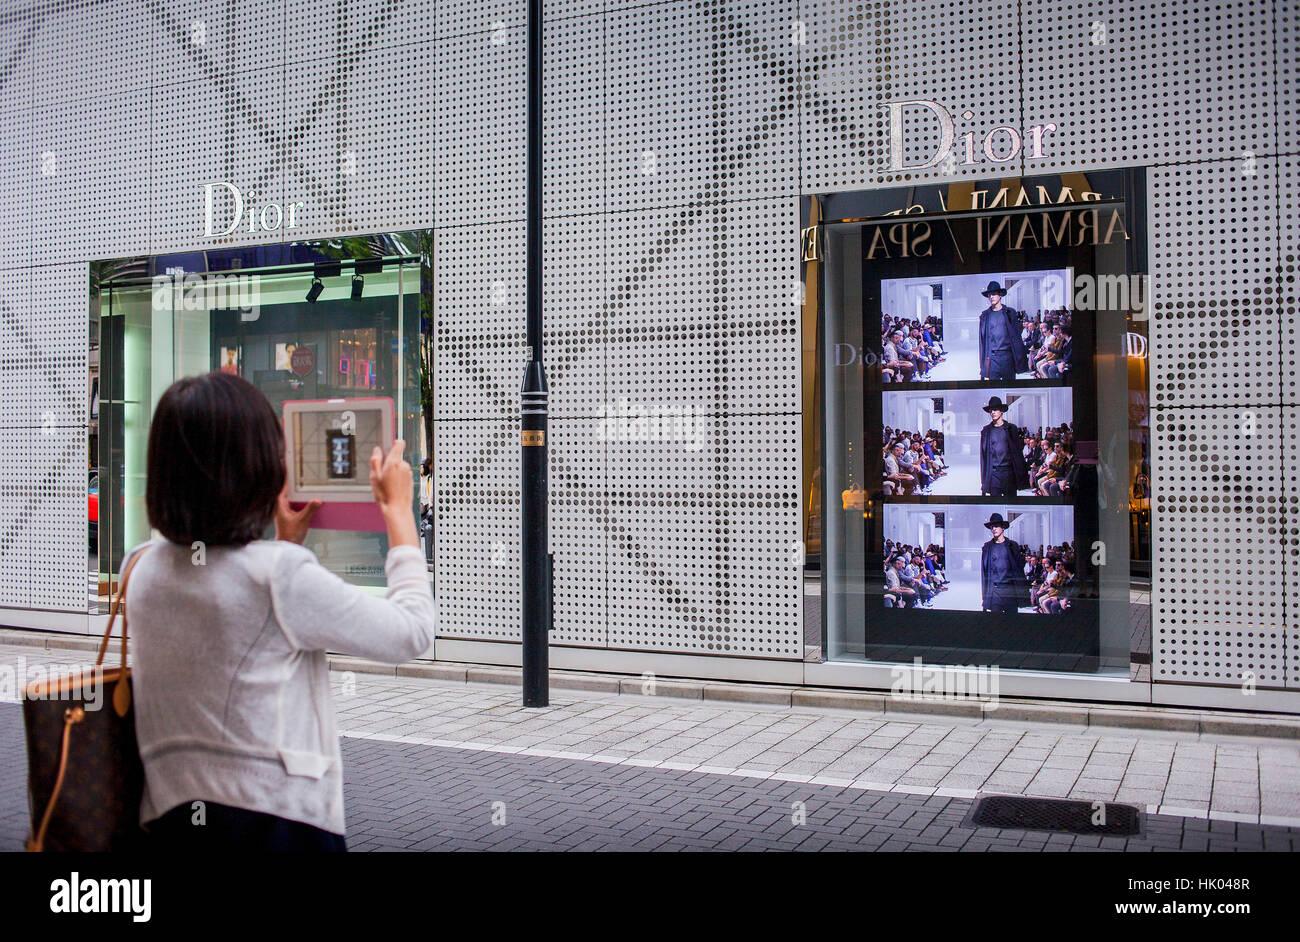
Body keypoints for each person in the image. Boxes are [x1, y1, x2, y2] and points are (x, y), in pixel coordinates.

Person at [123, 372, 436, 852]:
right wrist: (396, 512)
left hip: (168, 818)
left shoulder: (140, 568)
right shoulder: (279, 577)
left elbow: (231, 612)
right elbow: (411, 633)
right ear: (255, 467)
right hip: (276, 824)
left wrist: (283, 543)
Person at [979, 396, 1030, 497]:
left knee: (1011, 501)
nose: (992, 412)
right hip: (994, 473)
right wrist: (984, 482)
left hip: (1009, 473)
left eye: (995, 409)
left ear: (1001, 411)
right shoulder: (986, 431)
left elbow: (1017, 453)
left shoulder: (1011, 429)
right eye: (991, 410)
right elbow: (983, 457)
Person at [978, 281, 1028, 381]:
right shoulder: (985, 316)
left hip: (1008, 357)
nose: (991, 297)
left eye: (993, 294)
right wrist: (983, 367)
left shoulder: (1010, 313)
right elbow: (982, 342)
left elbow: (1016, 337)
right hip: (993, 358)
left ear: (1000, 295)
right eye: (989, 295)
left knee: (1010, 385)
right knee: (993, 386)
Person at [980, 512, 1028, 614]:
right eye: (992, 527)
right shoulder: (987, 547)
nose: (993, 529)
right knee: (995, 623)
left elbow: (1019, 568)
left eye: (996, 526)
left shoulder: (1012, 546)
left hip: (1010, 591)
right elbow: (984, 573)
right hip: (995, 591)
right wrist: (985, 598)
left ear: (1003, 528)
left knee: (1012, 623)